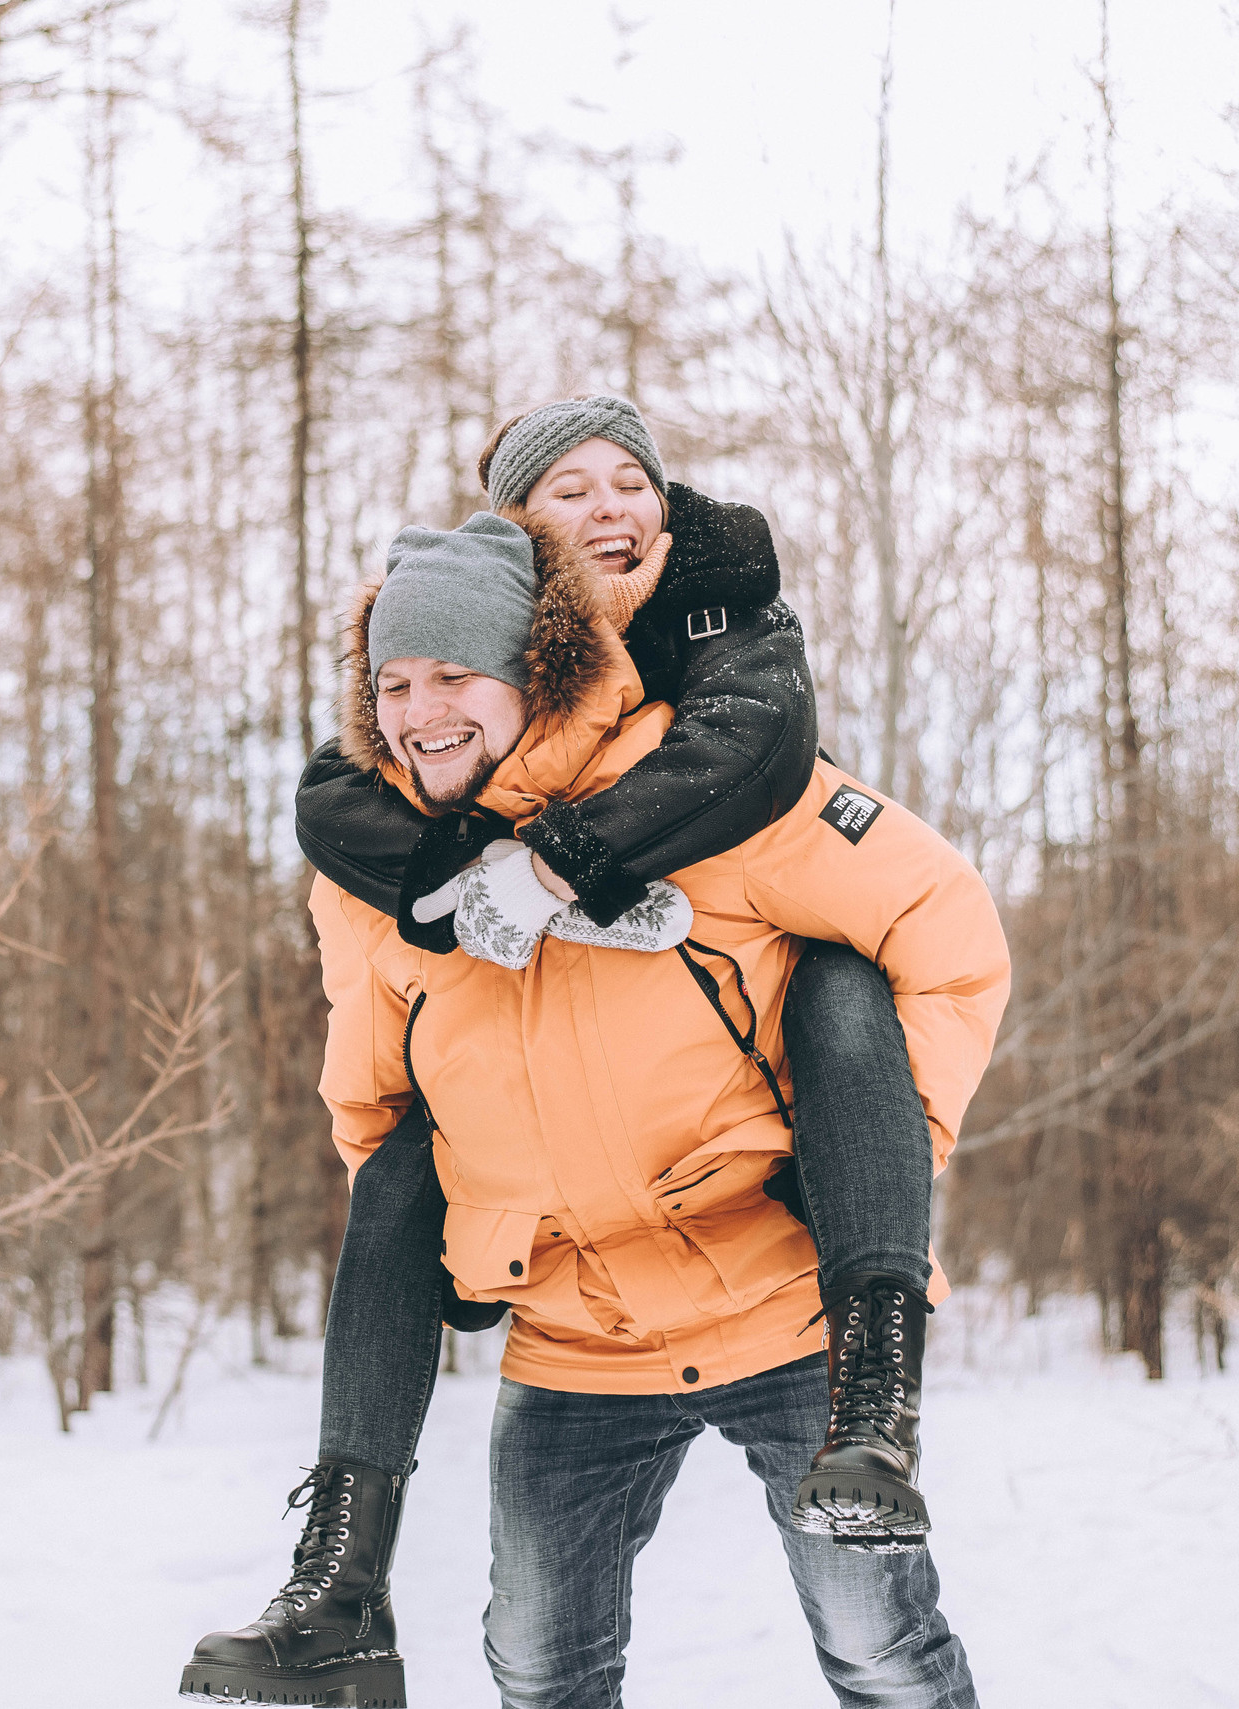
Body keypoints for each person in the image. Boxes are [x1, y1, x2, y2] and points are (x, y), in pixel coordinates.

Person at [182, 399, 990, 1707]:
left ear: (534, 655)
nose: (422, 710)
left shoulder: (706, 774)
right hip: (575, 1341)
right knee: (540, 1673)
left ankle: (878, 1378)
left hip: (779, 1304)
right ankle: (338, 1582)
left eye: (457, 675)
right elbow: (367, 1096)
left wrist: (880, 1158)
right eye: (396, 684)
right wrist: (485, 1225)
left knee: (883, 1655)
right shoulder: (370, 866)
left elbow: (947, 937)